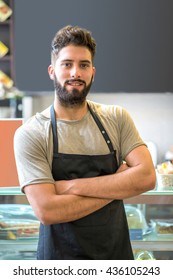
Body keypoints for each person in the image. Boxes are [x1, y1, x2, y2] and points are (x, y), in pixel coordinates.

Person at [14, 25, 156, 260]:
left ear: (93, 72)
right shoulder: (32, 133)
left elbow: (147, 177)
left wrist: (70, 186)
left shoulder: (116, 118)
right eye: (67, 64)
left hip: (114, 260)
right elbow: (47, 210)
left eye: (84, 65)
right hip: (59, 264)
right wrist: (117, 186)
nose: (75, 73)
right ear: (52, 71)